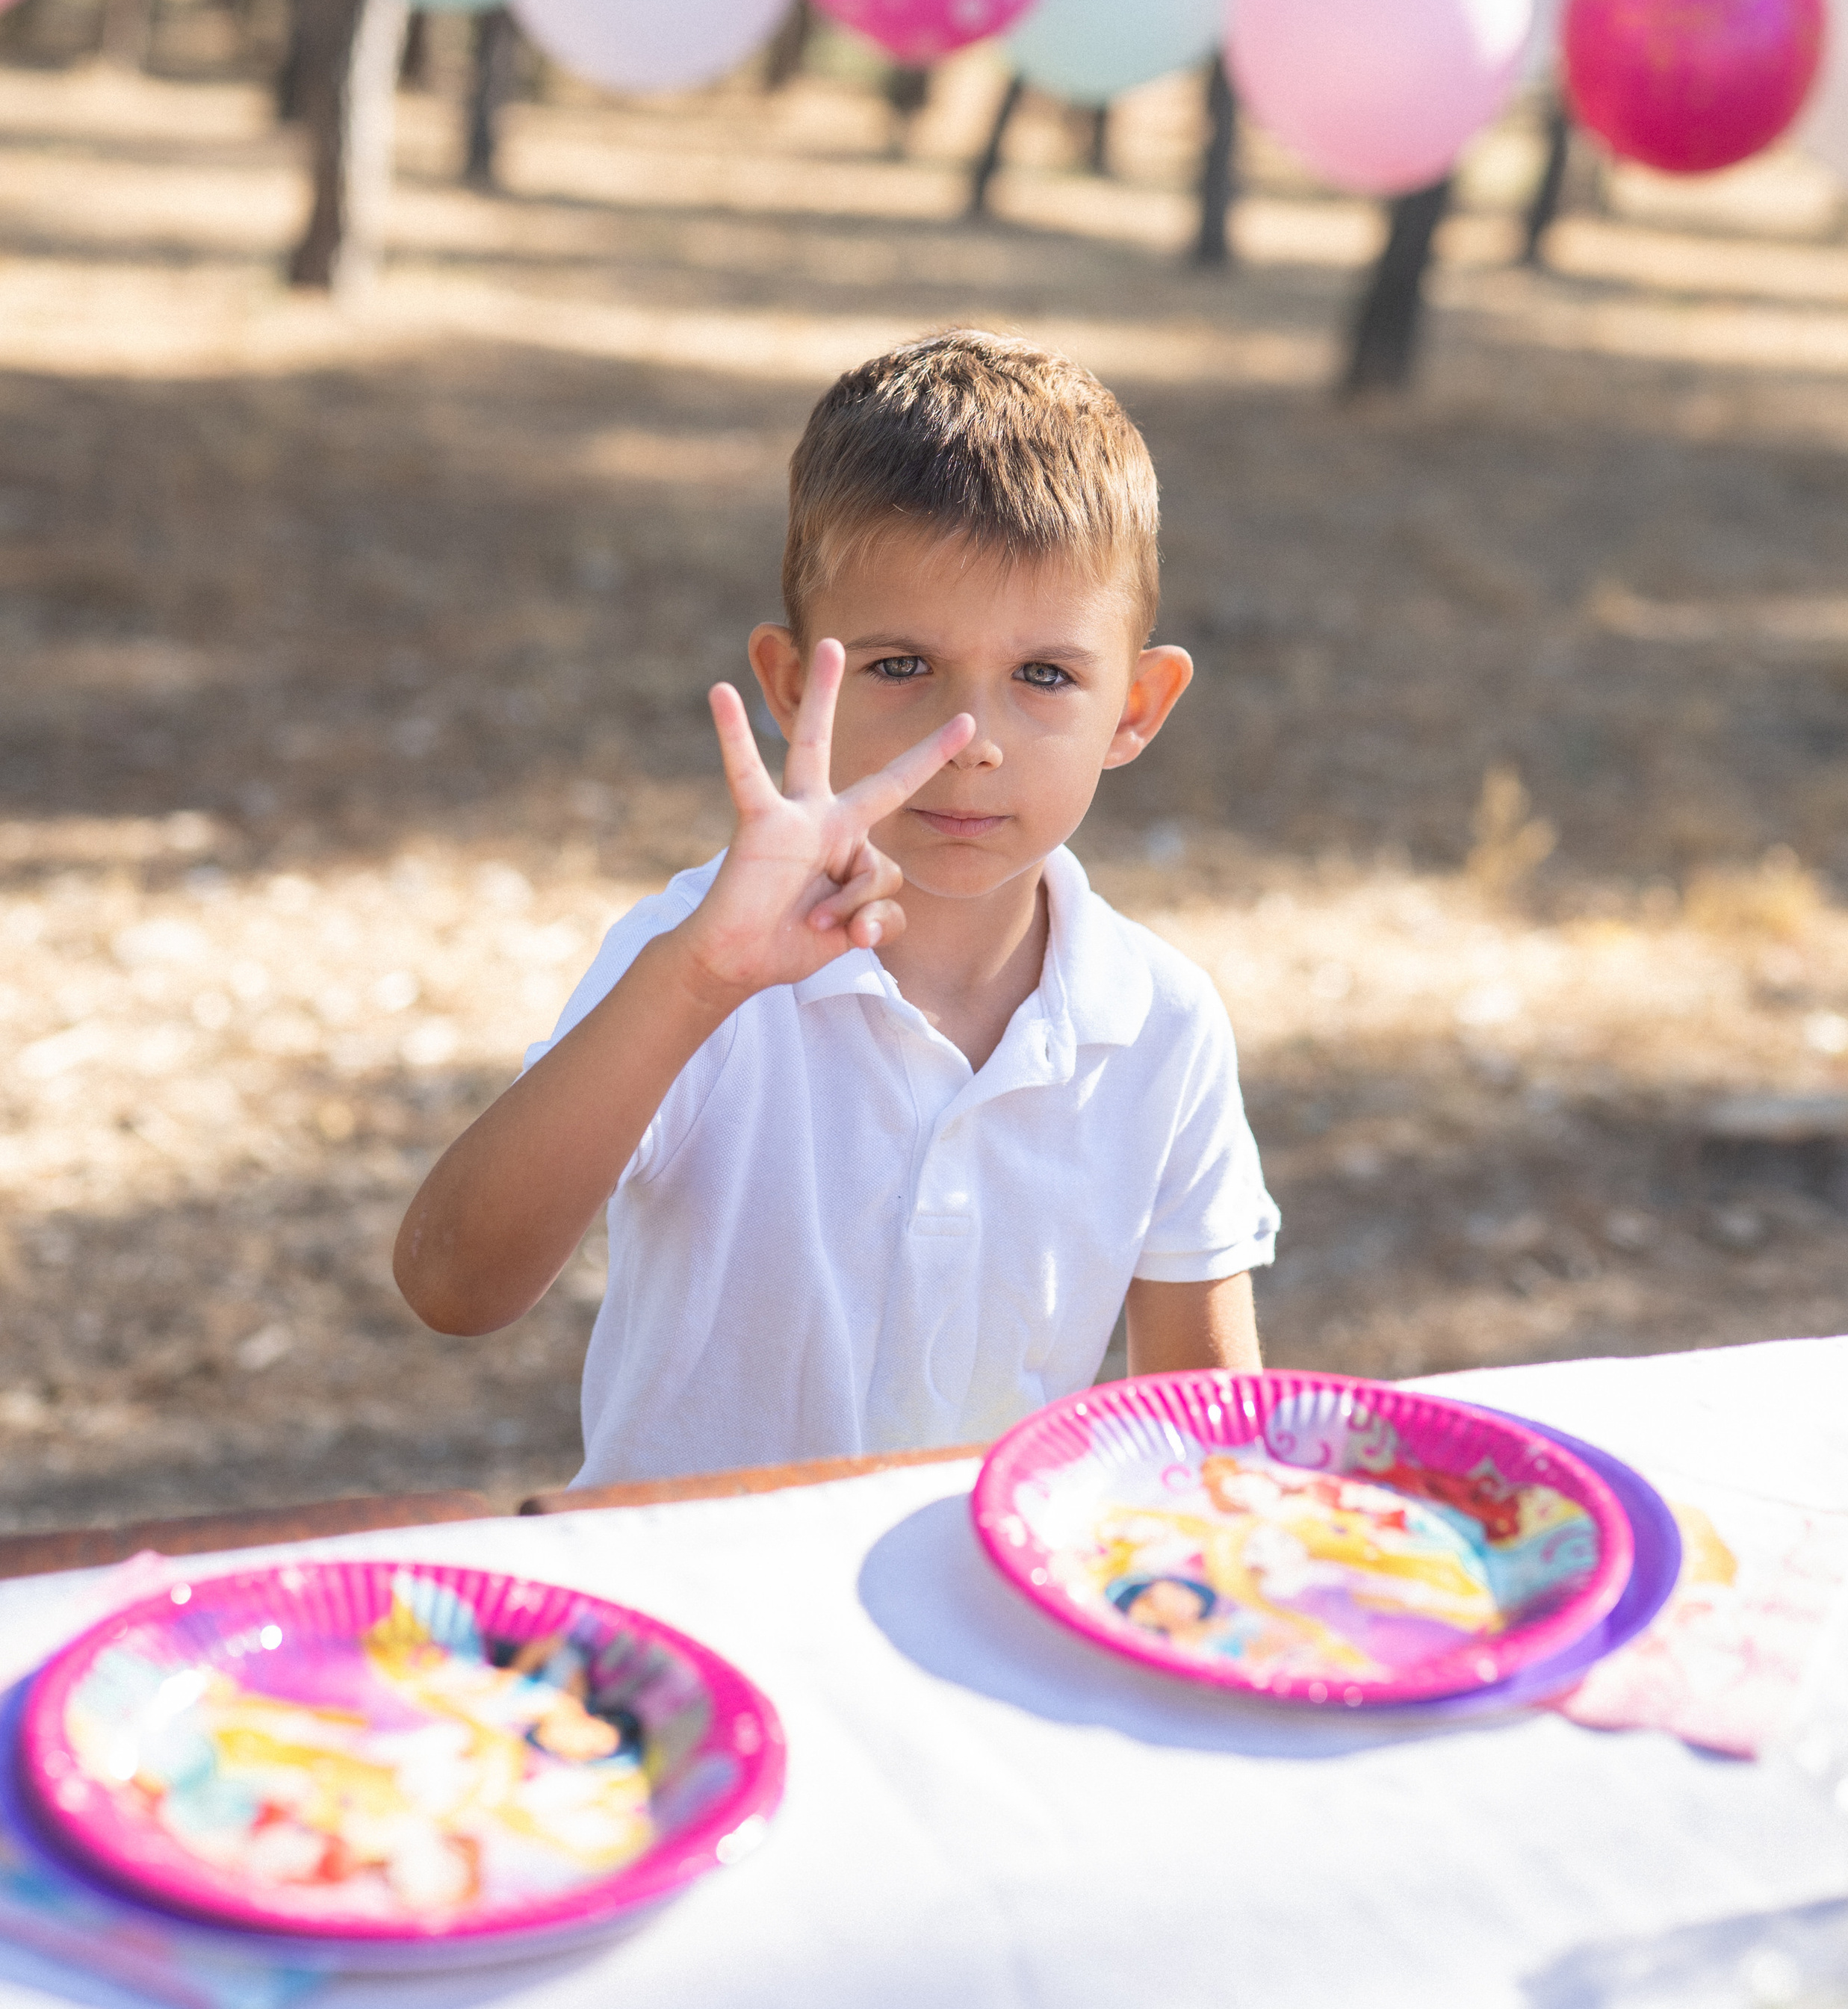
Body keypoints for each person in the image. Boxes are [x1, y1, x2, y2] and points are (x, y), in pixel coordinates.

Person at [394, 330, 1277, 1482]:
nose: (972, 747)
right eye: (902, 666)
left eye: (1046, 676)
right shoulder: (702, 962)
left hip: (981, 1615)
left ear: (1137, 707)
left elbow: (1209, 1440)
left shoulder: (1160, 1024)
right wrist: (697, 984)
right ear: (786, 680)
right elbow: (453, 1285)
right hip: (697, 1615)